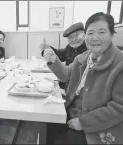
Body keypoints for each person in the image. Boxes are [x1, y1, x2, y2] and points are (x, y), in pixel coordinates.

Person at [42, 12, 123, 144]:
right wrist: (54, 61)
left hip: (98, 128)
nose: (94, 38)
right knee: (45, 127)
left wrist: (82, 122)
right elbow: (67, 75)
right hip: (72, 113)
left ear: (112, 34)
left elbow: (119, 108)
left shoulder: (119, 63)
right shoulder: (84, 57)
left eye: (102, 32)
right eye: (90, 33)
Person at [40, 22, 87, 90]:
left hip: (75, 89)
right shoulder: (70, 47)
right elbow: (60, 54)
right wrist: (46, 48)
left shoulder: (87, 51)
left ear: (84, 34)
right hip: (65, 84)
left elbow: (69, 74)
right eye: (70, 37)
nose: (74, 39)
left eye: (76, 35)